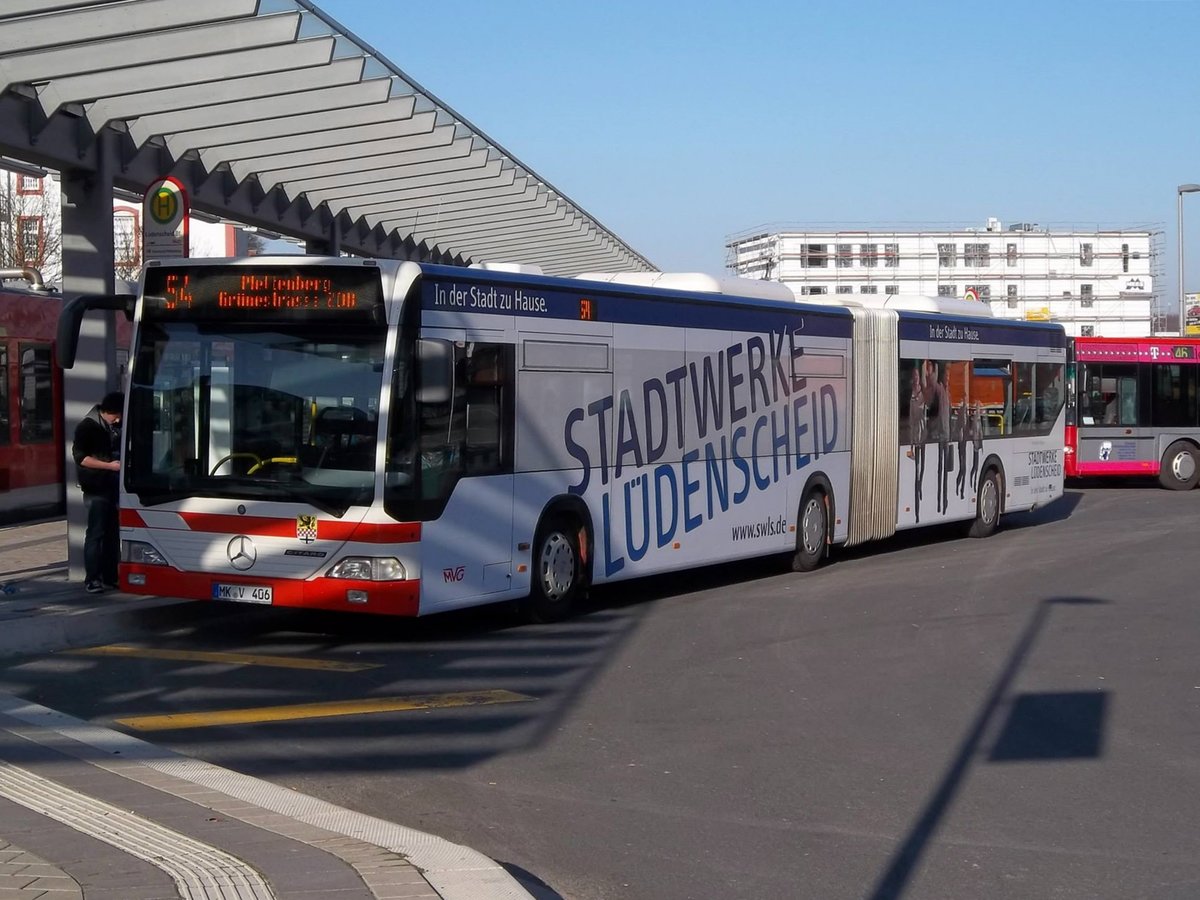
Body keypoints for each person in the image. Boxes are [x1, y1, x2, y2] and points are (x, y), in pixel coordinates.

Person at [72, 391, 123, 593]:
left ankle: (110, 576)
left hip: (112, 487)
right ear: (106, 411)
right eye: (116, 415)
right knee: (96, 533)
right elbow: (81, 458)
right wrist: (110, 466)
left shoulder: (112, 427)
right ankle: (92, 578)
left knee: (112, 534)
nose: (118, 419)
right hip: (96, 488)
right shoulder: (87, 427)